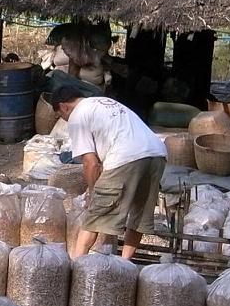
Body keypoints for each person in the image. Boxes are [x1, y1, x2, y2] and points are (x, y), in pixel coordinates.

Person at [49, 85, 167, 260]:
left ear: (64, 106)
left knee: (95, 217)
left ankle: (76, 267)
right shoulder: (106, 102)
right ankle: (124, 266)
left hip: (125, 157)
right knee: (139, 215)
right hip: (156, 154)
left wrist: (92, 191)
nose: (64, 120)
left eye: (61, 116)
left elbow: (91, 163)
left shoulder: (77, 116)